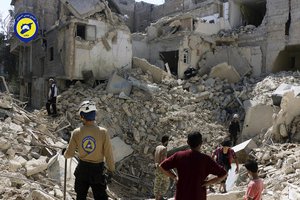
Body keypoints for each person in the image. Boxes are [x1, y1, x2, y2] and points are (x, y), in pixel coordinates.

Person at [63, 100, 115, 200]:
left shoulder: (76, 132)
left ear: (82, 116)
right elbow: (109, 154)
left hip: (82, 170)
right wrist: (111, 170)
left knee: (80, 196)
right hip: (97, 171)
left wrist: (64, 153)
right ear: (94, 115)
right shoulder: (103, 132)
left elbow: (69, 154)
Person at [159, 132, 227, 200]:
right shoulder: (206, 159)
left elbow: (162, 166)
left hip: (182, 195)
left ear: (188, 142)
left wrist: (174, 177)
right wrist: (207, 183)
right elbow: (224, 174)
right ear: (201, 143)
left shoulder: (179, 155)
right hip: (198, 195)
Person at [154, 135, 170, 200]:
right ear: (166, 141)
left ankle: (156, 197)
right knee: (166, 182)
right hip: (161, 168)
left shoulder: (157, 147)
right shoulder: (164, 148)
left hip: (156, 168)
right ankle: (160, 197)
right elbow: (163, 160)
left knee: (157, 182)